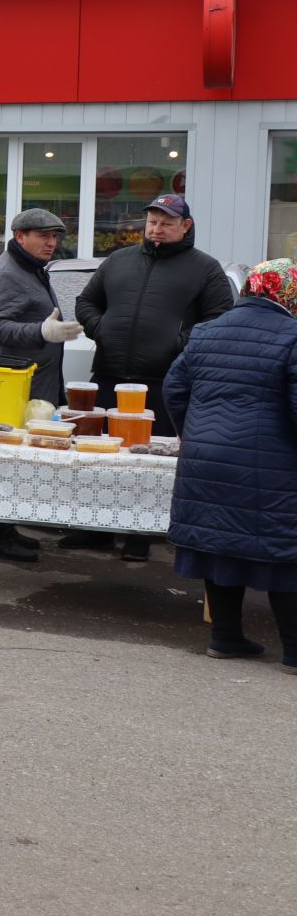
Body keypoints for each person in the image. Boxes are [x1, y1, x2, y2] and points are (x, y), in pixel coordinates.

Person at [75, 193, 233, 559]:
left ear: (186, 226)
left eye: (166, 223)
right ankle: (96, 529)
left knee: (149, 461)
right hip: (110, 376)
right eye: (152, 221)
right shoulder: (119, 260)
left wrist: (178, 344)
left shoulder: (205, 269)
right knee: (100, 456)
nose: (157, 229)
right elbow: (86, 302)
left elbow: (218, 320)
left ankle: (140, 535)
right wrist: (101, 329)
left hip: (163, 383)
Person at [162, 259, 297, 669]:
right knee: (283, 553)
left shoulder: (205, 332)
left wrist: (196, 433)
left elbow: (173, 388)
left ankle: (226, 637)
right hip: (271, 464)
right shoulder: (293, 337)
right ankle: (294, 651)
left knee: (219, 544)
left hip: (206, 460)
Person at [0, 208, 83, 562]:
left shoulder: (29, 267)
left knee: (18, 460)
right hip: (16, 384)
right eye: (43, 236)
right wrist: (42, 332)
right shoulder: (7, 273)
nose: (51, 243)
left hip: (35, 381)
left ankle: (5, 529)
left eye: (55, 237)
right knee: (7, 460)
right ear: (20, 236)